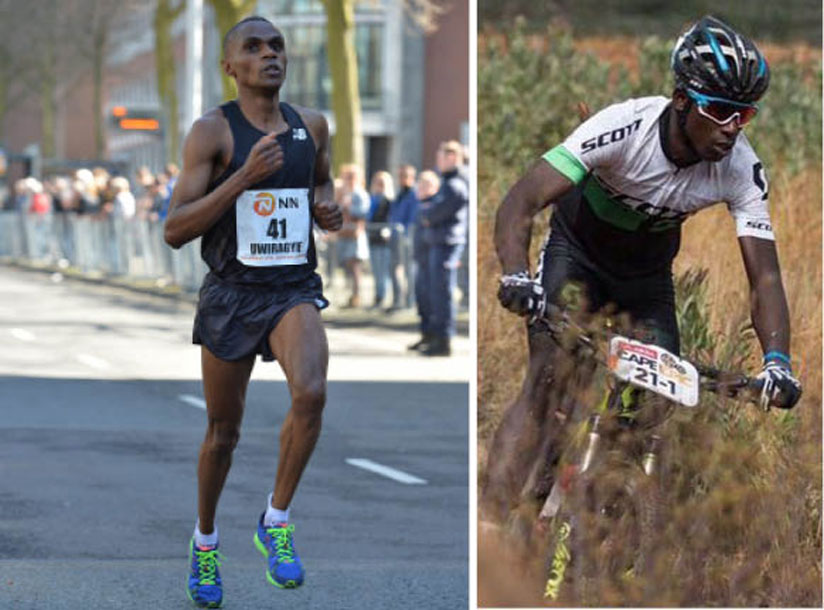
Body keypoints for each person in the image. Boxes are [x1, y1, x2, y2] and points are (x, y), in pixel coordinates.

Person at [481, 16, 802, 524]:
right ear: (680, 101)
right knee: (547, 382)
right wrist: (517, 275)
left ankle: (597, 523)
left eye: (744, 116)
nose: (730, 130)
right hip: (577, 258)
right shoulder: (622, 126)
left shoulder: (741, 166)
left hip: (645, 282)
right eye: (718, 111)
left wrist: (778, 361)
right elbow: (520, 202)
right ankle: (491, 530)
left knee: (652, 404)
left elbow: (764, 276)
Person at [163, 15, 343, 608]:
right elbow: (174, 230)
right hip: (231, 294)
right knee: (223, 432)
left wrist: (326, 205)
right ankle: (206, 541)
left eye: (277, 47)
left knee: (312, 393)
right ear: (230, 67)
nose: (270, 55)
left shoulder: (311, 126)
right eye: (254, 47)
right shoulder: (211, 132)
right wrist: (244, 178)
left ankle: (277, 519)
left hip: (291, 287)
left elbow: (320, 184)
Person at [418, 140, 469, 356]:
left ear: (452, 158)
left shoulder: (455, 184)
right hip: (440, 241)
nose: (438, 162)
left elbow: (437, 212)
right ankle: (438, 336)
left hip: (447, 242)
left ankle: (444, 339)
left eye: (442, 158)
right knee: (436, 291)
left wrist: (429, 215)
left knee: (442, 292)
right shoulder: (447, 182)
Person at [407, 170, 440, 352]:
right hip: (420, 259)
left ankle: (435, 336)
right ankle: (425, 334)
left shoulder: (435, 205)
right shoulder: (419, 205)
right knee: (421, 300)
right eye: (420, 185)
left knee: (432, 300)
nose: (422, 189)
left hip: (432, 259)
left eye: (426, 185)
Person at [337, 163, 370, 307]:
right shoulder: (343, 193)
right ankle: (349, 296)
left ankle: (357, 296)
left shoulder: (360, 194)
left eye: (351, 177)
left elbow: (363, 212)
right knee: (347, 267)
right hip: (344, 234)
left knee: (355, 266)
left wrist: (349, 207)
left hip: (355, 235)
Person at [388, 164, 419, 311]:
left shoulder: (414, 195)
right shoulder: (399, 195)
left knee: (408, 270)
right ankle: (397, 299)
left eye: (405, 176)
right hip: (395, 238)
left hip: (407, 239)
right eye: (400, 176)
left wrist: (405, 231)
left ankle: (410, 300)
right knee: (395, 269)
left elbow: (413, 217)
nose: (402, 179)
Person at [367, 170, 395, 308]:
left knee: (383, 271)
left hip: (384, 242)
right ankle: (378, 296)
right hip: (372, 239)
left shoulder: (389, 201)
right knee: (375, 271)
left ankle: (382, 297)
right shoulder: (371, 199)